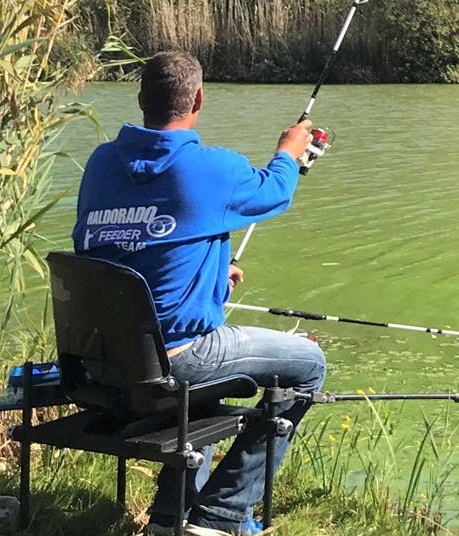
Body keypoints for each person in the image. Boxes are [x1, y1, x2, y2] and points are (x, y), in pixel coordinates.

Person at [75, 49, 326, 535]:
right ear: (198, 99)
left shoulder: (101, 163)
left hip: (103, 359)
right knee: (309, 366)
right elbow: (274, 192)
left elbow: (122, 250)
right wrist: (289, 151)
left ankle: (172, 517)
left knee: (204, 376)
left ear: (141, 98)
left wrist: (213, 273)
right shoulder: (211, 168)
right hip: (176, 358)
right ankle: (224, 515)